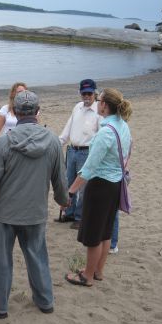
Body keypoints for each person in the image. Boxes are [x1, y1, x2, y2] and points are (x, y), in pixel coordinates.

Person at [0, 90, 69, 318]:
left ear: (14, 112)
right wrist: (64, 201)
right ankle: (45, 301)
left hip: (5, 214)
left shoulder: (4, 143)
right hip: (35, 213)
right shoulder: (52, 141)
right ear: (38, 112)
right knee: (37, 256)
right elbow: (60, 180)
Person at [65, 88, 132, 287]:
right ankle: (98, 272)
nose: (97, 102)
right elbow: (129, 150)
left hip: (100, 186)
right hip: (115, 184)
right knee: (105, 231)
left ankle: (87, 275)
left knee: (94, 233)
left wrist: (70, 191)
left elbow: (88, 169)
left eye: (100, 99)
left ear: (104, 105)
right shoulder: (123, 125)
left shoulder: (105, 133)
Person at [58, 79, 102, 230]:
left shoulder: (99, 111)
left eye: (89, 93)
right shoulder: (77, 107)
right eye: (84, 93)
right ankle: (69, 213)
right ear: (80, 93)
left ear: (95, 93)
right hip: (72, 151)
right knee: (68, 183)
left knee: (84, 187)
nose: (87, 96)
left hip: (87, 152)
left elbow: (101, 135)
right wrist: (59, 143)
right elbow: (68, 128)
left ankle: (80, 217)